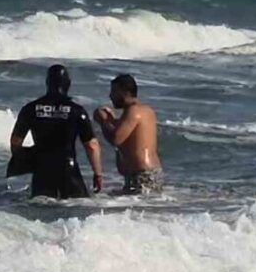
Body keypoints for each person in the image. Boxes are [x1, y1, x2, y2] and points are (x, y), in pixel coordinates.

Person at [10, 65, 103, 199]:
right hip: (68, 169)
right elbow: (91, 145)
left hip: (41, 170)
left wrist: (25, 163)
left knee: (41, 209)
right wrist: (98, 174)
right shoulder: (76, 111)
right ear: (68, 84)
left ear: (47, 83)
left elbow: (16, 142)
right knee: (76, 209)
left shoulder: (30, 109)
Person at [94, 74, 163, 194]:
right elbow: (129, 139)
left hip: (141, 175)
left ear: (125, 93)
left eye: (114, 91)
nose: (110, 96)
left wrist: (103, 121)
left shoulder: (133, 111)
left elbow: (116, 139)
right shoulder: (146, 110)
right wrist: (112, 120)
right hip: (151, 173)